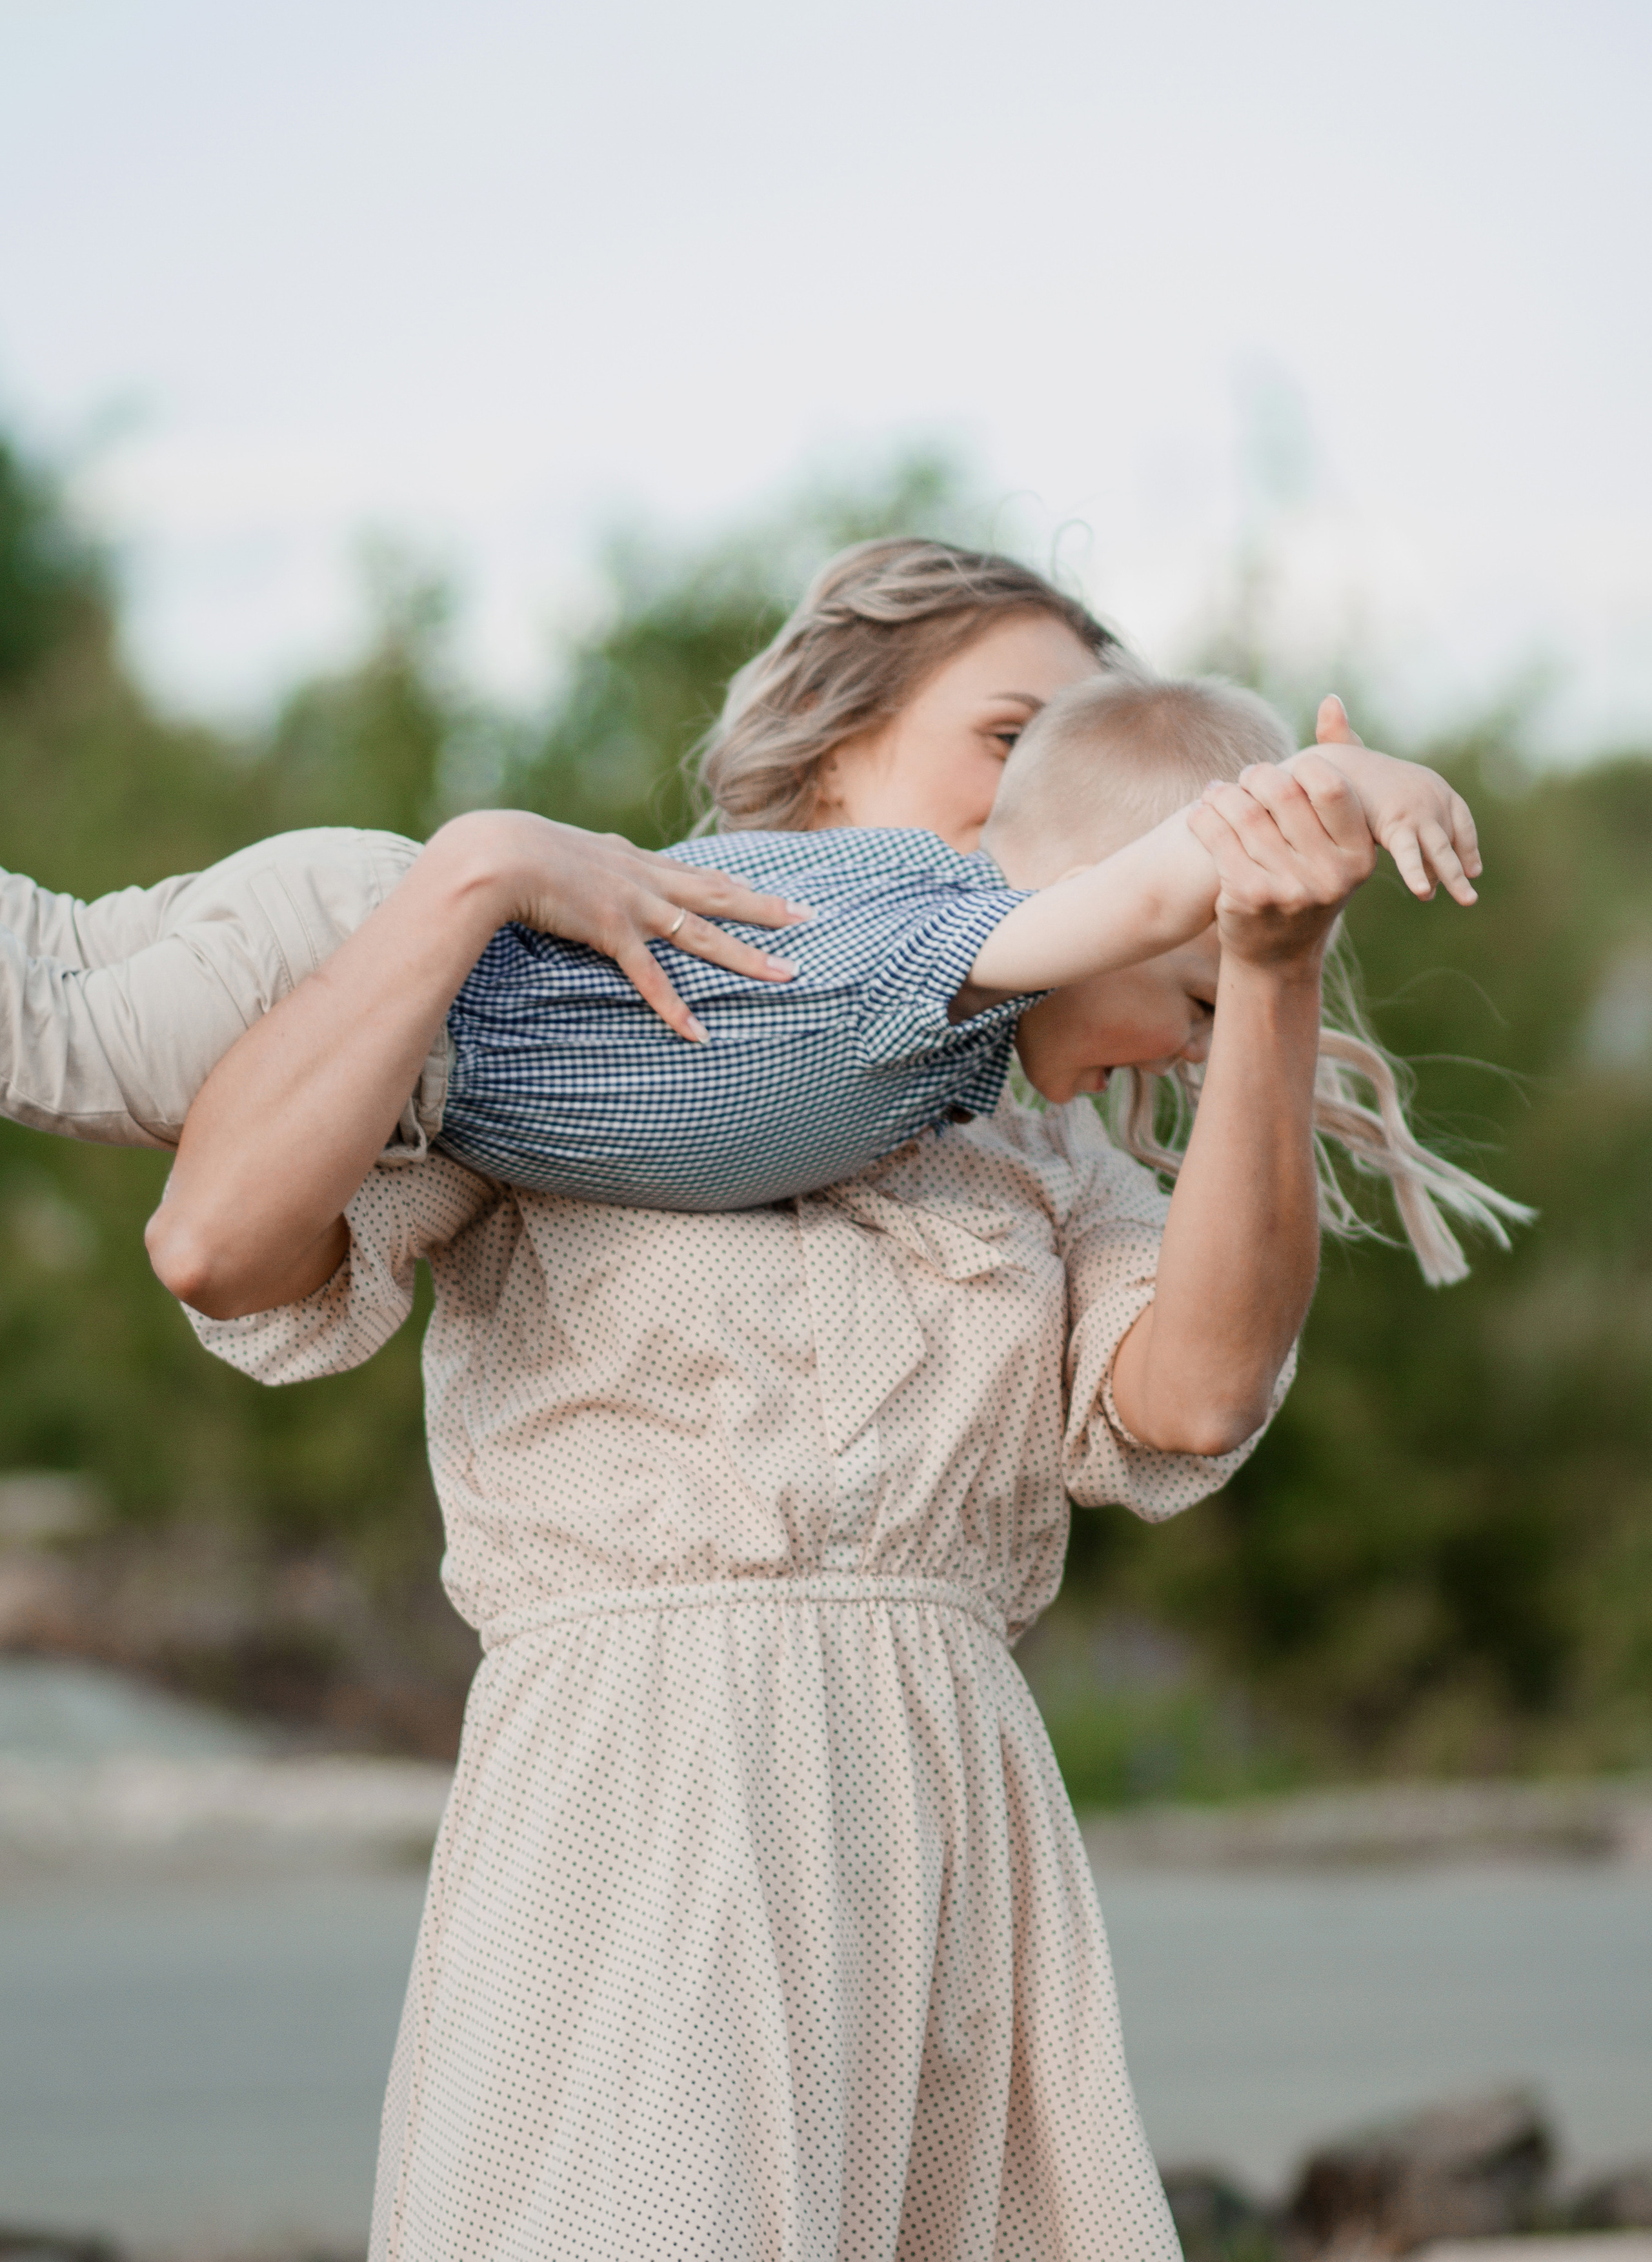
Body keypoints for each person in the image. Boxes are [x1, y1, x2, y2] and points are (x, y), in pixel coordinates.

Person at [146, 550, 1529, 2262]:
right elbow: (215, 1243)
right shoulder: (581, 1018)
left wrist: (1272, 966)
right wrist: (474, 878)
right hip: (638, 1797)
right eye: (1011, 731)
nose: (1046, 788)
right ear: (830, 768)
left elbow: (1199, 1391)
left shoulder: (1049, 1144)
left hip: (941, 1819)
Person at [1, 620, 1487, 1237]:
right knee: (43, 1032)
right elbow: (1154, 883)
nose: (1192, 1044)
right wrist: (1339, 780)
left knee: (40, 952)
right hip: (361, 969)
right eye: (1203, 997)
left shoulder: (945, 1047)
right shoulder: (935, 945)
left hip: (354, 926)